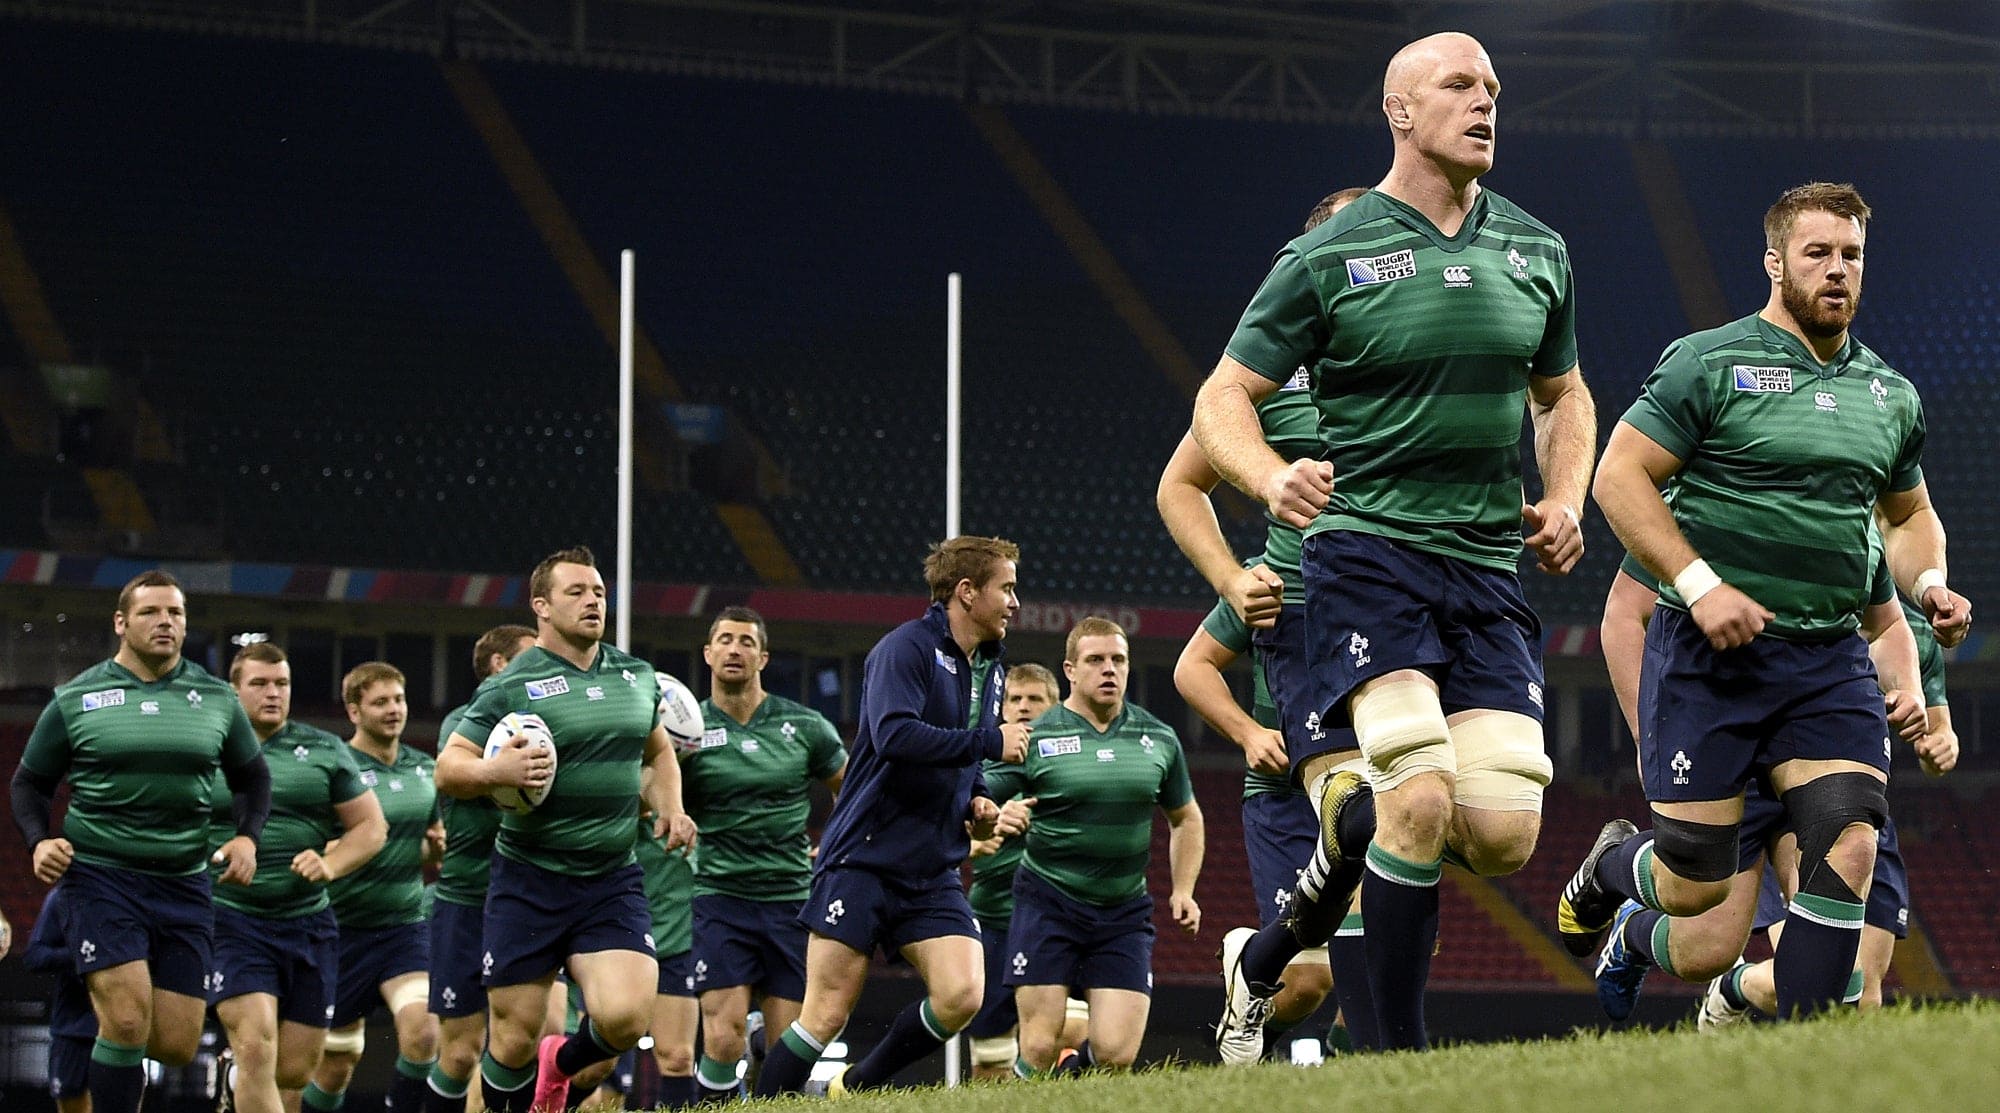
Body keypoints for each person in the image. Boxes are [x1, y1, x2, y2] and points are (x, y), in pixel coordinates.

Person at [1192, 32, 1594, 1051]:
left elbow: (1563, 394)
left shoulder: (1538, 248)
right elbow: (1221, 396)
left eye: (1493, 87)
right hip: (1366, 556)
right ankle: (1399, 1059)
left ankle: (1277, 935)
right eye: (1460, 84)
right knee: (1413, 792)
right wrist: (1268, 475)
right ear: (1399, 111)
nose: (1485, 101)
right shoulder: (1325, 255)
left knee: (1502, 833)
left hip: (1486, 566)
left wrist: (1564, 495)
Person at [1563, 181, 1972, 1019]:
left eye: (1851, 254)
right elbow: (1617, 475)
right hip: (1707, 661)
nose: (1837, 270)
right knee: (1694, 892)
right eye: (1818, 253)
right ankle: (1611, 868)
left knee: (1850, 838)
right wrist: (1700, 585)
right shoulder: (1707, 363)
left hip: (1826, 660)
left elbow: (1908, 516)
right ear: (1775, 262)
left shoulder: (1890, 394)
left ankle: (1806, 1051)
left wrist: (1929, 581)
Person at [1158, 187, 1376, 1062]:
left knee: (1411, 884)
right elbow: (1180, 484)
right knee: (1323, 967)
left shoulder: (1418, 361)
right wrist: (1230, 575)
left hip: (1406, 615)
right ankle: (1263, 998)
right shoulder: (1266, 376)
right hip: (1310, 635)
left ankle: (1276, 1006)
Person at [1589, 551, 1935, 1022]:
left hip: (1823, 746)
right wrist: (1646, 735)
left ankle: (1773, 1027)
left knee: (1854, 986)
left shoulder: (1856, 527)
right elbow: (1624, 613)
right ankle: (1633, 921)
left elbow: (1892, 623)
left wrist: (1919, 696)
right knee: (1706, 949)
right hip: (1734, 752)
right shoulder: (1699, 517)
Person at [752, 536, 1032, 1097]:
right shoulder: (904, 648)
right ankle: (762, 1103)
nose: (1014, 602)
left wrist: (977, 798)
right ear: (967, 591)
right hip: (865, 857)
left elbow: (962, 756)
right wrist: (989, 743)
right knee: (825, 1014)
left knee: (962, 995)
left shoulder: (991, 666)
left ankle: (854, 1088)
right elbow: (894, 735)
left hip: (931, 867)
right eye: (1006, 588)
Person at [436, 546, 696, 1113]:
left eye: (598, 592)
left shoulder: (636, 676)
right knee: (513, 1039)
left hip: (611, 879)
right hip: (530, 880)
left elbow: (658, 754)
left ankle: (561, 1065)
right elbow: (449, 767)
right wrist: (495, 772)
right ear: (542, 606)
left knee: (627, 1019)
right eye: (576, 592)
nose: (592, 601)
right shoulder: (512, 684)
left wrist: (671, 807)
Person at [11, 570, 272, 1113]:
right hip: (101, 879)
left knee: (175, 1044)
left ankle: (104, 1021)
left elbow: (252, 778)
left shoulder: (217, 698)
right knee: (128, 1022)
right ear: (120, 622)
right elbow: (28, 784)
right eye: (151, 612)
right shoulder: (76, 698)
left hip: (184, 883)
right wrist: (39, 841)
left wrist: (247, 838)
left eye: (175, 613)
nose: (165, 622)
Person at [993, 617, 1202, 1075]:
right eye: (1095, 660)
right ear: (1070, 669)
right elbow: (978, 797)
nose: (1109, 669)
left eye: (1118, 660)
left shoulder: (1158, 738)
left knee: (1115, 1054)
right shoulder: (1038, 735)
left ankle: (1072, 1077)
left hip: (1122, 911)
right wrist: (996, 813)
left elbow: (1186, 817)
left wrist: (1183, 889)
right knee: (1038, 1046)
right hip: (1048, 903)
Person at [1173, 570, 1342, 1060]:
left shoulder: (1384, 560)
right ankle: (1248, 993)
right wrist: (1249, 733)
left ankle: (1358, 1077)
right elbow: (1192, 668)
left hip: (1376, 788)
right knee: (1308, 981)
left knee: (1379, 964)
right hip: (1287, 796)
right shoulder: (1267, 577)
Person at [213, 643, 389, 1113]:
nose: (273, 693)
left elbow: (371, 827)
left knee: (293, 1072)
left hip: (309, 924)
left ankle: (235, 1082)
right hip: (232, 921)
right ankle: (242, 1072)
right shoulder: (209, 748)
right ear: (234, 691)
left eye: (282, 684)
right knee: (256, 1048)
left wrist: (331, 864)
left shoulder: (325, 749)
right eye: (259, 683)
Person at [681, 607, 847, 1103]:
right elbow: (655, 789)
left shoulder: (805, 725)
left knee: (785, 1050)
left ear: (764, 657)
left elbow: (852, 788)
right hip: (719, 896)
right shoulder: (686, 730)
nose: (735, 649)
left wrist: (836, 843)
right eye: (725, 640)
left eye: (746, 642)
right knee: (722, 1036)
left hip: (790, 900)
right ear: (708, 653)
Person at [306, 663, 442, 1113]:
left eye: (398, 699)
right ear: (354, 711)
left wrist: (436, 848)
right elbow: (310, 846)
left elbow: (429, 848)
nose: (393, 709)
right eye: (380, 702)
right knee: (334, 1067)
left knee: (424, 1033)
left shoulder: (424, 769)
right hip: (340, 932)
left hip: (403, 929)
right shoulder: (334, 768)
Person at [424, 624, 536, 1113]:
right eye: (530, 658)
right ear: (499, 665)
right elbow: (456, 776)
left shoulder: (544, 723)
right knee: (461, 1051)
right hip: (466, 900)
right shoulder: (462, 725)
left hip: (528, 899)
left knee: (538, 1033)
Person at [963, 663, 1088, 1082]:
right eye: (1014, 699)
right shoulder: (978, 766)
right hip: (994, 918)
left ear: (1055, 707)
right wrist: (979, 837)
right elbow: (942, 835)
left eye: (1035, 699)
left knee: (1073, 1030)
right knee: (989, 1057)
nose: (1023, 707)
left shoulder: (1075, 760)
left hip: (1056, 917)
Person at [24, 887, 96, 1113]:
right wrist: (82, 956)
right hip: (73, 1029)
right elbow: (34, 956)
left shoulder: (132, 892)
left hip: (120, 1029)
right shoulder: (64, 895)